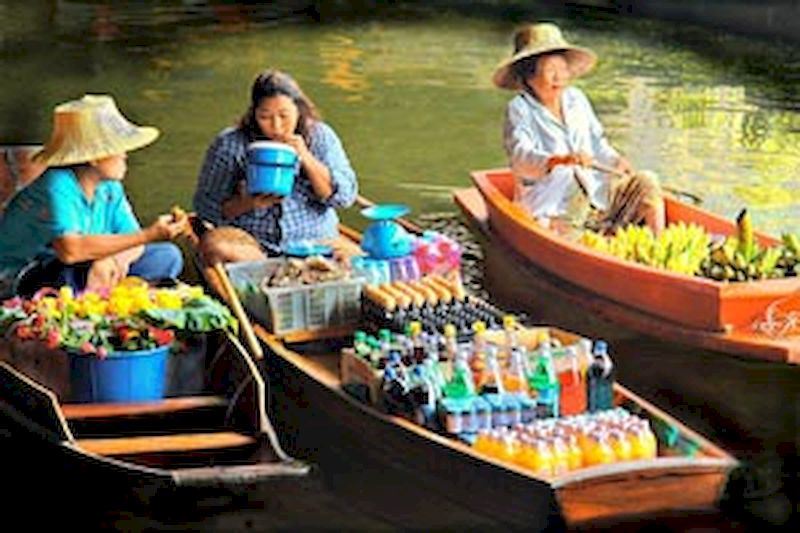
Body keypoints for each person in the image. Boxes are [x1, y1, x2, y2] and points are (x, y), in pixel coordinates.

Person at [0, 94, 186, 298]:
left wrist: (114, 260)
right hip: (30, 276)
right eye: (118, 149)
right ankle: (104, 295)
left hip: (92, 269)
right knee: (72, 273)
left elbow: (134, 242)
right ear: (96, 157)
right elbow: (70, 251)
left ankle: (104, 293)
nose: (125, 155)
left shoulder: (110, 187)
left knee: (168, 256)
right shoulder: (57, 184)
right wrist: (150, 234)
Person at [494, 23, 665, 235]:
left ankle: (658, 241)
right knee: (567, 211)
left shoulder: (576, 99)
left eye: (563, 69)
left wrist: (615, 160)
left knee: (647, 181)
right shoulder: (519, 109)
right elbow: (521, 157)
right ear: (529, 77)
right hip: (553, 203)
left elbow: (597, 142)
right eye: (551, 71)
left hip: (593, 193)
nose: (560, 78)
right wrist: (559, 160)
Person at [193, 69, 359, 262]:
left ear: (298, 110)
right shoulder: (230, 144)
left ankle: (296, 268)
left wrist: (305, 157)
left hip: (316, 240)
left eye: (284, 115)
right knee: (215, 247)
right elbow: (204, 205)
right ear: (253, 113)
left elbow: (345, 197)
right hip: (254, 244)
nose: (277, 126)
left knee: (364, 259)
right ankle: (266, 268)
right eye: (265, 117)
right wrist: (247, 203)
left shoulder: (320, 136)